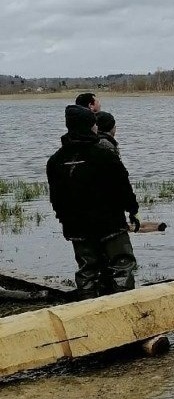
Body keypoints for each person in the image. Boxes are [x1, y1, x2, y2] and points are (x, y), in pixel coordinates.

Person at [46, 105, 140, 299]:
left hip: (76, 225)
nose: (97, 127)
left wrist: (63, 219)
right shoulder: (104, 153)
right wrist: (132, 210)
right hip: (109, 223)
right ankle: (124, 304)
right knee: (122, 264)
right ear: (90, 126)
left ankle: (88, 302)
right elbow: (123, 186)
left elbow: (55, 197)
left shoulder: (56, 160)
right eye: (94, 123)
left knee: (87, 268)